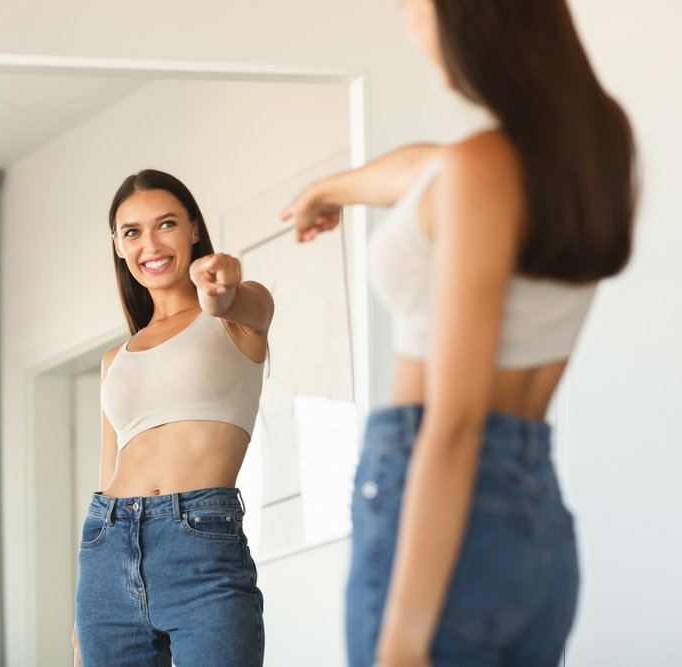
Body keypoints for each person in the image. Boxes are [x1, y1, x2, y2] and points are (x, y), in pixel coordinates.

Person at [281, 1, 636, 666]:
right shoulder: (591, 151)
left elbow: (456, 422)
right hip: (535, 517)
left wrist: (405, 636)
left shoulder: (483, 166)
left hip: (441, 495)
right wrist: (330, 188)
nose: (409, 18)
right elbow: (425, 170)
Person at [72, 169, 275, 667]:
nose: (150, 244)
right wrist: (80, 625)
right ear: (118, 246)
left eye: (166, 224)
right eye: (132, 232)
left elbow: (230, 297)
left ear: (193, 230)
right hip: (106, 545)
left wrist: (219, 286)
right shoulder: (114, 359)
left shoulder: (236, 314)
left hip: (201, 546)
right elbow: (107, 472)